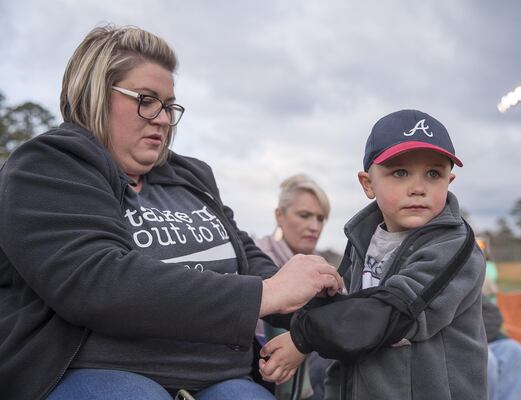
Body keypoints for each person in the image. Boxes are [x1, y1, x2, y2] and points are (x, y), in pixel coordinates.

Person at [0, 24, 343, 400]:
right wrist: (266, 293)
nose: (163, 119)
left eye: (168, 105)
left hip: (220, 375)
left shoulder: (192, 176)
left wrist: (312, 298)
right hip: (98, 371)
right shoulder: (46, 167)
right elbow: (100, 283)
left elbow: (247, 260)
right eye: (146, 99)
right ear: (95, 94)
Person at [259, 109, 487, 399]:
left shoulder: (453, 246)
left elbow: (392, 313)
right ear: (368, 184)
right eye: (400, 172)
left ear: (449, 181)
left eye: (433, 173)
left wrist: (303, 338)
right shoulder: (363, 238)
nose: (418, 188)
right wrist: (265, 303)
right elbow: (343, 312)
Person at [255, 174, 335, 400]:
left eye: (321, 218)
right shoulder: (255, 258)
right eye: (305, 215)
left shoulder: (324, 268)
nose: (314, 226)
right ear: (279, 216)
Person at [483, 294, 521, 400]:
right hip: (450, 344)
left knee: (515, 351)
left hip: (483, 339)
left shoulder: (468, 285)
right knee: (488, 360)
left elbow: (492, 314)